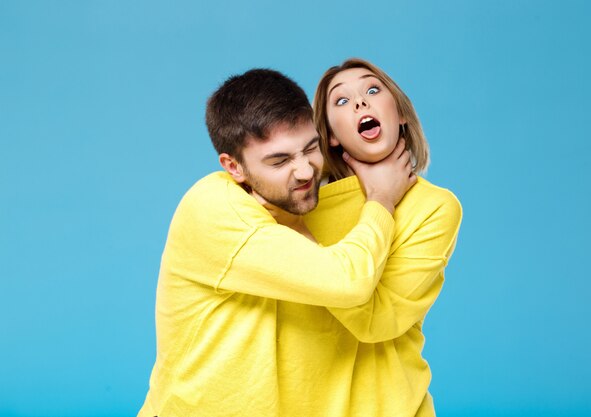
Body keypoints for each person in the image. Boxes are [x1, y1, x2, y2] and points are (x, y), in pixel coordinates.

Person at [137, 68, 416, 416]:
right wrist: (381, 198)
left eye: (310, 148)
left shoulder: (287, 207)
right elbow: (349, 282)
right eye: (280, 160)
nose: (304, 171)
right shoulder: (216, 210)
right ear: (233, 166)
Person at [275, 58, 463, 417]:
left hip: (388, 405)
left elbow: (376, 321)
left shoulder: (435, 207)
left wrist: (381, 201)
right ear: (329, 135)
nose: (361, 102)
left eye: (372, 90)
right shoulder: (302, 202)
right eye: (341, 100)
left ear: (400, 114)